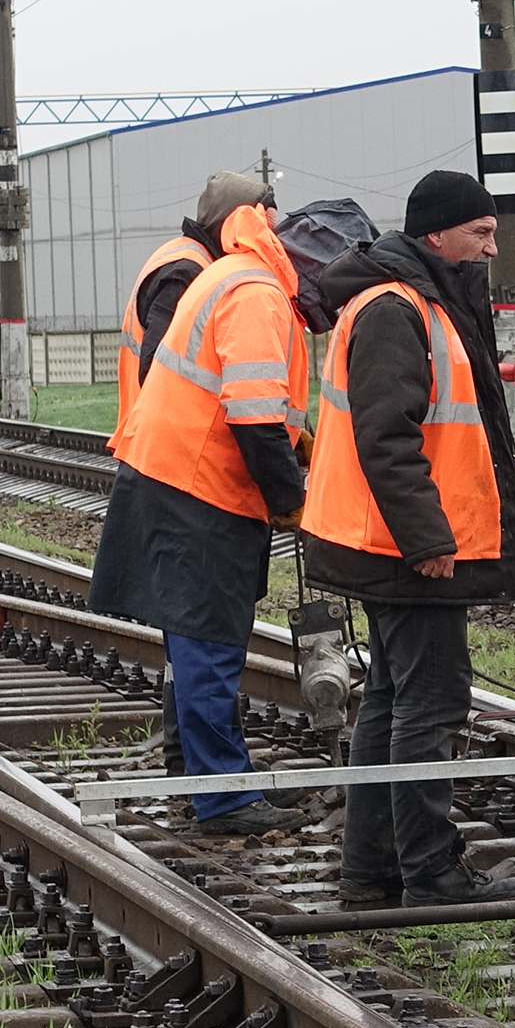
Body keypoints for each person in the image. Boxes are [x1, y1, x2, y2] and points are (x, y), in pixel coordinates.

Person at [302, 171, 515, 907]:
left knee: (394, 701)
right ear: (437, 235)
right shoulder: (398, 310)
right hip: (405, 547)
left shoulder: (415, 302)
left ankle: (371, 873)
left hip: (387, 541)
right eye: (481, 233)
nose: (491, 248)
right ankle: (431, 872)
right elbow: (387, 439)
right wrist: (428, 537)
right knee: (429, 701)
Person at [90, 187, 312, 838]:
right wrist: (290, 499)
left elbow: (238, 394)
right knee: (209, 641)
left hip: (175, 474)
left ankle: (195, 772)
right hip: (198, 486)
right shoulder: (253, 290)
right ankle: (221, 795)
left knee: (194, 641)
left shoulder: (225, 274)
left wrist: (294, 440)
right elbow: (248, 413)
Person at [109, 171, 268, 453]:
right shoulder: (187, 271)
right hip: (164, 449)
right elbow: (156, 370)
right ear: (236, 225)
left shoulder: (190, 259)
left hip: (153, 441)